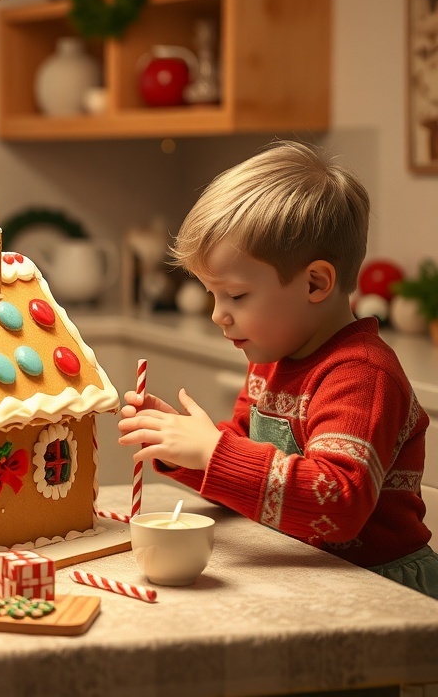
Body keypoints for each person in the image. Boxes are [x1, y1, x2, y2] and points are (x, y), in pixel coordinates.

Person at [118, 141, 438, 599]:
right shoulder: (271, 360)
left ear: (315, 283)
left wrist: (212, 452)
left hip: (380, 589)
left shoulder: (362, 375)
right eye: (212, 295)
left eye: (236, 296)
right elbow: (249, 465)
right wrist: (181, 447)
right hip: (309, 574)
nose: (217, 315)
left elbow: (338, 501)